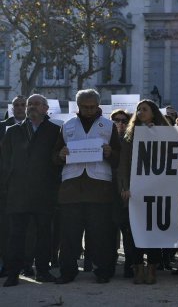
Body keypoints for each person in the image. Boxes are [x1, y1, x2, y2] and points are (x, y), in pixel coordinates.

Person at [53, 89, 121, 284]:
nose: (89, 110)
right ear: (78, 106)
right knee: (69, 235)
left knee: (100, 234)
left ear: (98, 106)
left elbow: (118, 157)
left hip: (99, 189)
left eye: (92, 107)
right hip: (71, 189)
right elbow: (54, 155)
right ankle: (67, 271)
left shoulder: (108, 126)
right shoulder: (67, 125)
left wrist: (110, 153)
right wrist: (60, 154)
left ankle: (103, 271)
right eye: (85, 107)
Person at [1, 94, 61, 287]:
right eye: (30, 104)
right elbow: (5, 162)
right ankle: (13, 274)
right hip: (18, 193)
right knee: (15, 236)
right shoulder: (13, 131)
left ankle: (42, 271)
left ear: (45, 108)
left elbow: (58, 162)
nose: (32, 107)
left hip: (44, 192)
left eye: (36, 104)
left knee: (44, 235)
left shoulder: (55, 131)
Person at [118, 99, 170, 284]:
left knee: (153, 232)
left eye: (144, 109)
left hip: (157, 193)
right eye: (138, 109)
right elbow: (123, 165)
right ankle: (138, 267)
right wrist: (124, 187)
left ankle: (152, 268)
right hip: (135, 193)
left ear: (154, 113)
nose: (140, 112)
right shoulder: (129, 137)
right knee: (133, 233)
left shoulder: (167, 134)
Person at [0, 95, 27, 277]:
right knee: (6, 227)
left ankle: (26, 263)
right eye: (16, 105)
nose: (19, 108)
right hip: (6, 182)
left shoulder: (36, 126)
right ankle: (6, 264)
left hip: (28, 184)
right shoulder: (2, 126)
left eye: (22, 105)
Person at [110, 109, 135, 279]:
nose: (120, 123)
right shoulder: (104, 140)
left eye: (124, 120)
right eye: (116, 120)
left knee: (128, 232)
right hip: (108, 192)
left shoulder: (131, 141)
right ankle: (109, 265)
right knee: (110, 232)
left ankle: (129, 266)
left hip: (127, 192)